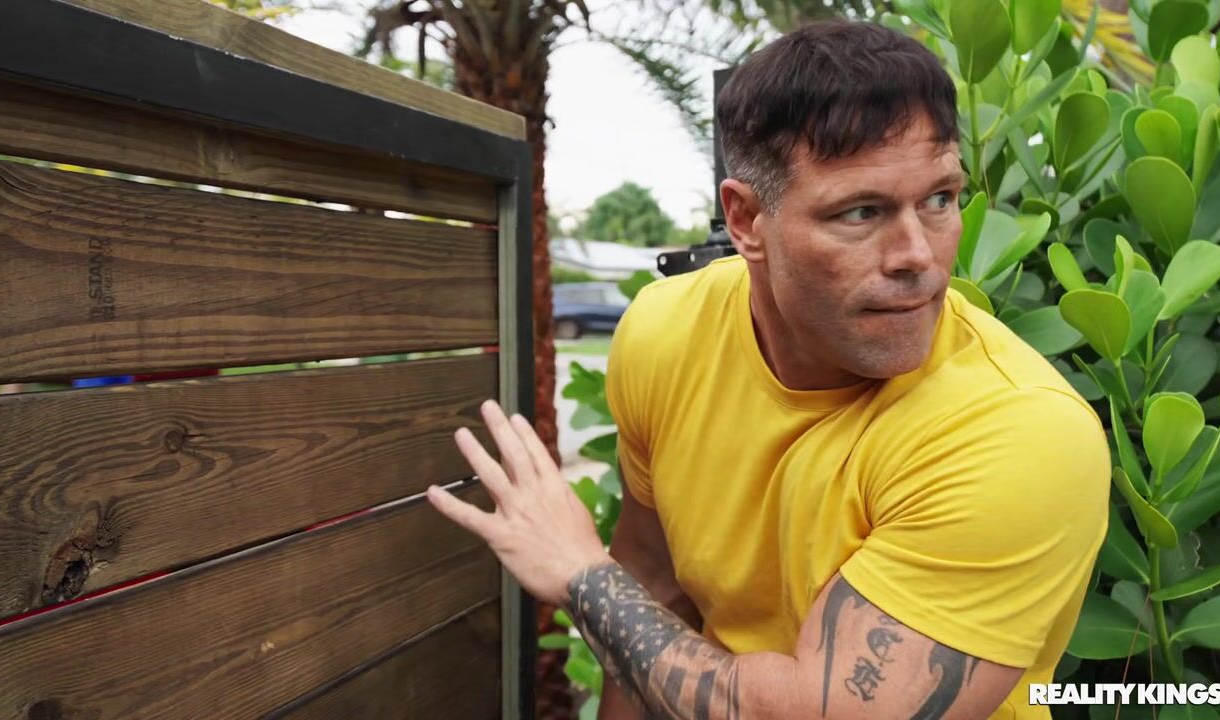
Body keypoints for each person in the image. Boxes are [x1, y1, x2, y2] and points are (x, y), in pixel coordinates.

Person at [427, 20, 1110, 720]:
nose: (919, 255)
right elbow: (654, 589)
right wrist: (608, 587)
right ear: (747, 220)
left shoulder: (1019, 433)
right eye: (861, 211)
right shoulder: (666, 333)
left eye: (939, 199)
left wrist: (582, 576)